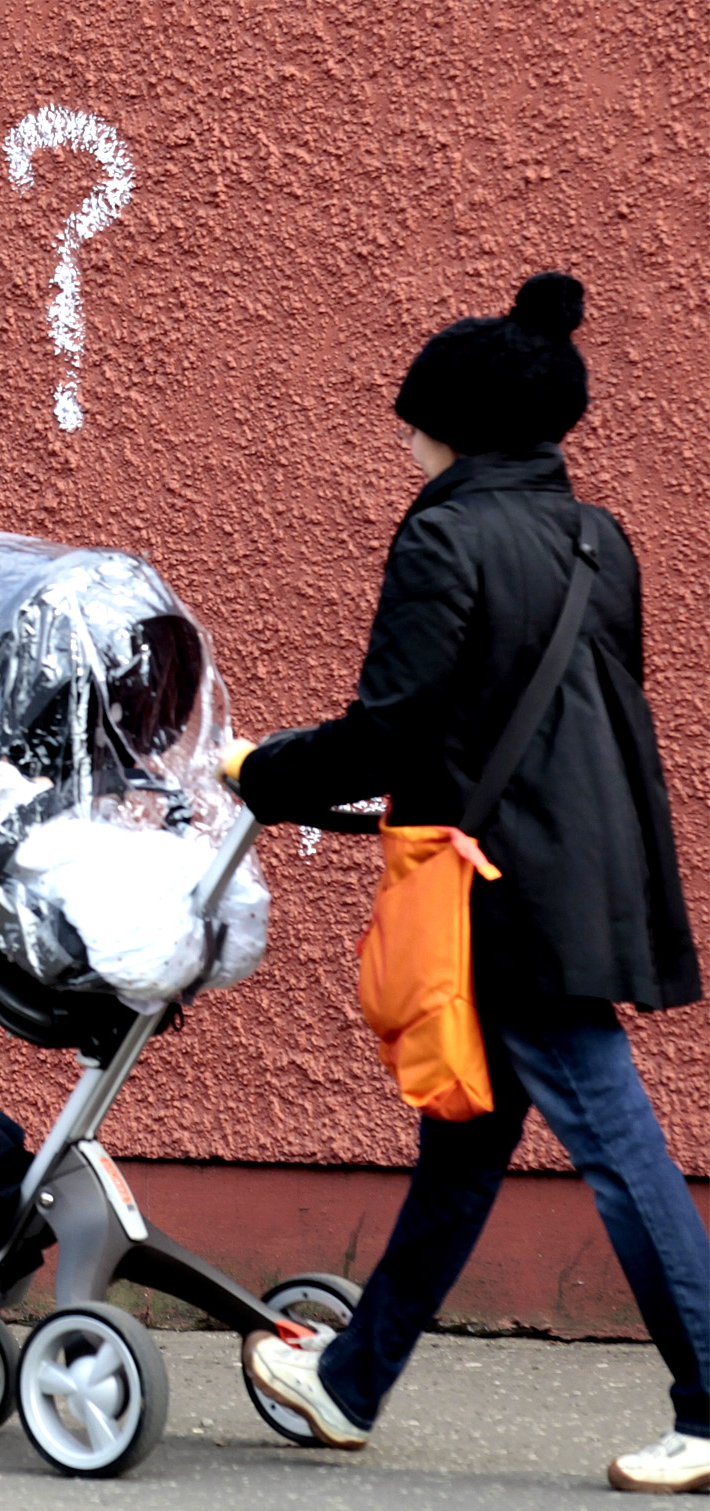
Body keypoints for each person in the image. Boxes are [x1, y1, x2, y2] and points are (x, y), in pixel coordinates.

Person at [224, 272, 710, 1494]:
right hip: (585, 861)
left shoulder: (443, 532)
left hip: (505, 888)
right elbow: (575, 712)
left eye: (413, 417)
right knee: (463, 1132)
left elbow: (392, 725)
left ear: (454, 422)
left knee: (615, 1143)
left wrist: (255, 771)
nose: (403, 438)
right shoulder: (598, 536)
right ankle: (348, 1381)